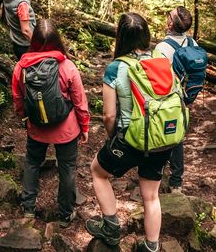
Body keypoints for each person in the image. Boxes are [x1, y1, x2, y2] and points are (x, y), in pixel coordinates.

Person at [85, 13, 173, 252]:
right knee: (151, 196)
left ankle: (111, 227)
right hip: (161, 139)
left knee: (97, 171)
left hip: (129, 140)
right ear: (146, 35)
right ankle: (151, 246)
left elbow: (109, 115)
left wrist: (112, 136)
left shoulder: (116, 68)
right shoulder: (160, 60)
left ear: (120, 37)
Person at [12, 19, 90, 228]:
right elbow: (79, 101)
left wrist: (24, 118)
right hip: (67, 129)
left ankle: (28, 208)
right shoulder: (67, 66)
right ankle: (65, 213)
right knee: (67, 168)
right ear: (58, 41)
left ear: (34, 40)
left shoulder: (21, 66)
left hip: (36, 127)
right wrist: (84, 127)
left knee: (32, 163)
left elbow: (18, 98)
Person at [155, 6, 197, 194]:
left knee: (164, 134)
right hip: (185, 97)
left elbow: (156, 78)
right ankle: (176, 182)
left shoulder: (162, 48)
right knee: (178, 136)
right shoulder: (192, 43)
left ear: (171, 23)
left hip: (166, 97)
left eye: (168, 16)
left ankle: (159, 173)